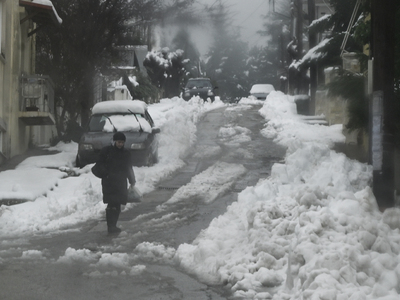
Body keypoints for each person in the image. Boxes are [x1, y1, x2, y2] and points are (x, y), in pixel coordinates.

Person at [95, 132, 136, 234]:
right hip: (109, 182)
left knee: (118, 204)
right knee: (111, 204)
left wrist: (132, 179)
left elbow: (128, 167)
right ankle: (111, 226)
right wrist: (106, 174)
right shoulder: (106, 151)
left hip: (121, 182)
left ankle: (114, 225)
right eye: (118, 142)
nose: (120, 144)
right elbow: (99, 164)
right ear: (114, 141)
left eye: (122, 142)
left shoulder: (126, 153)